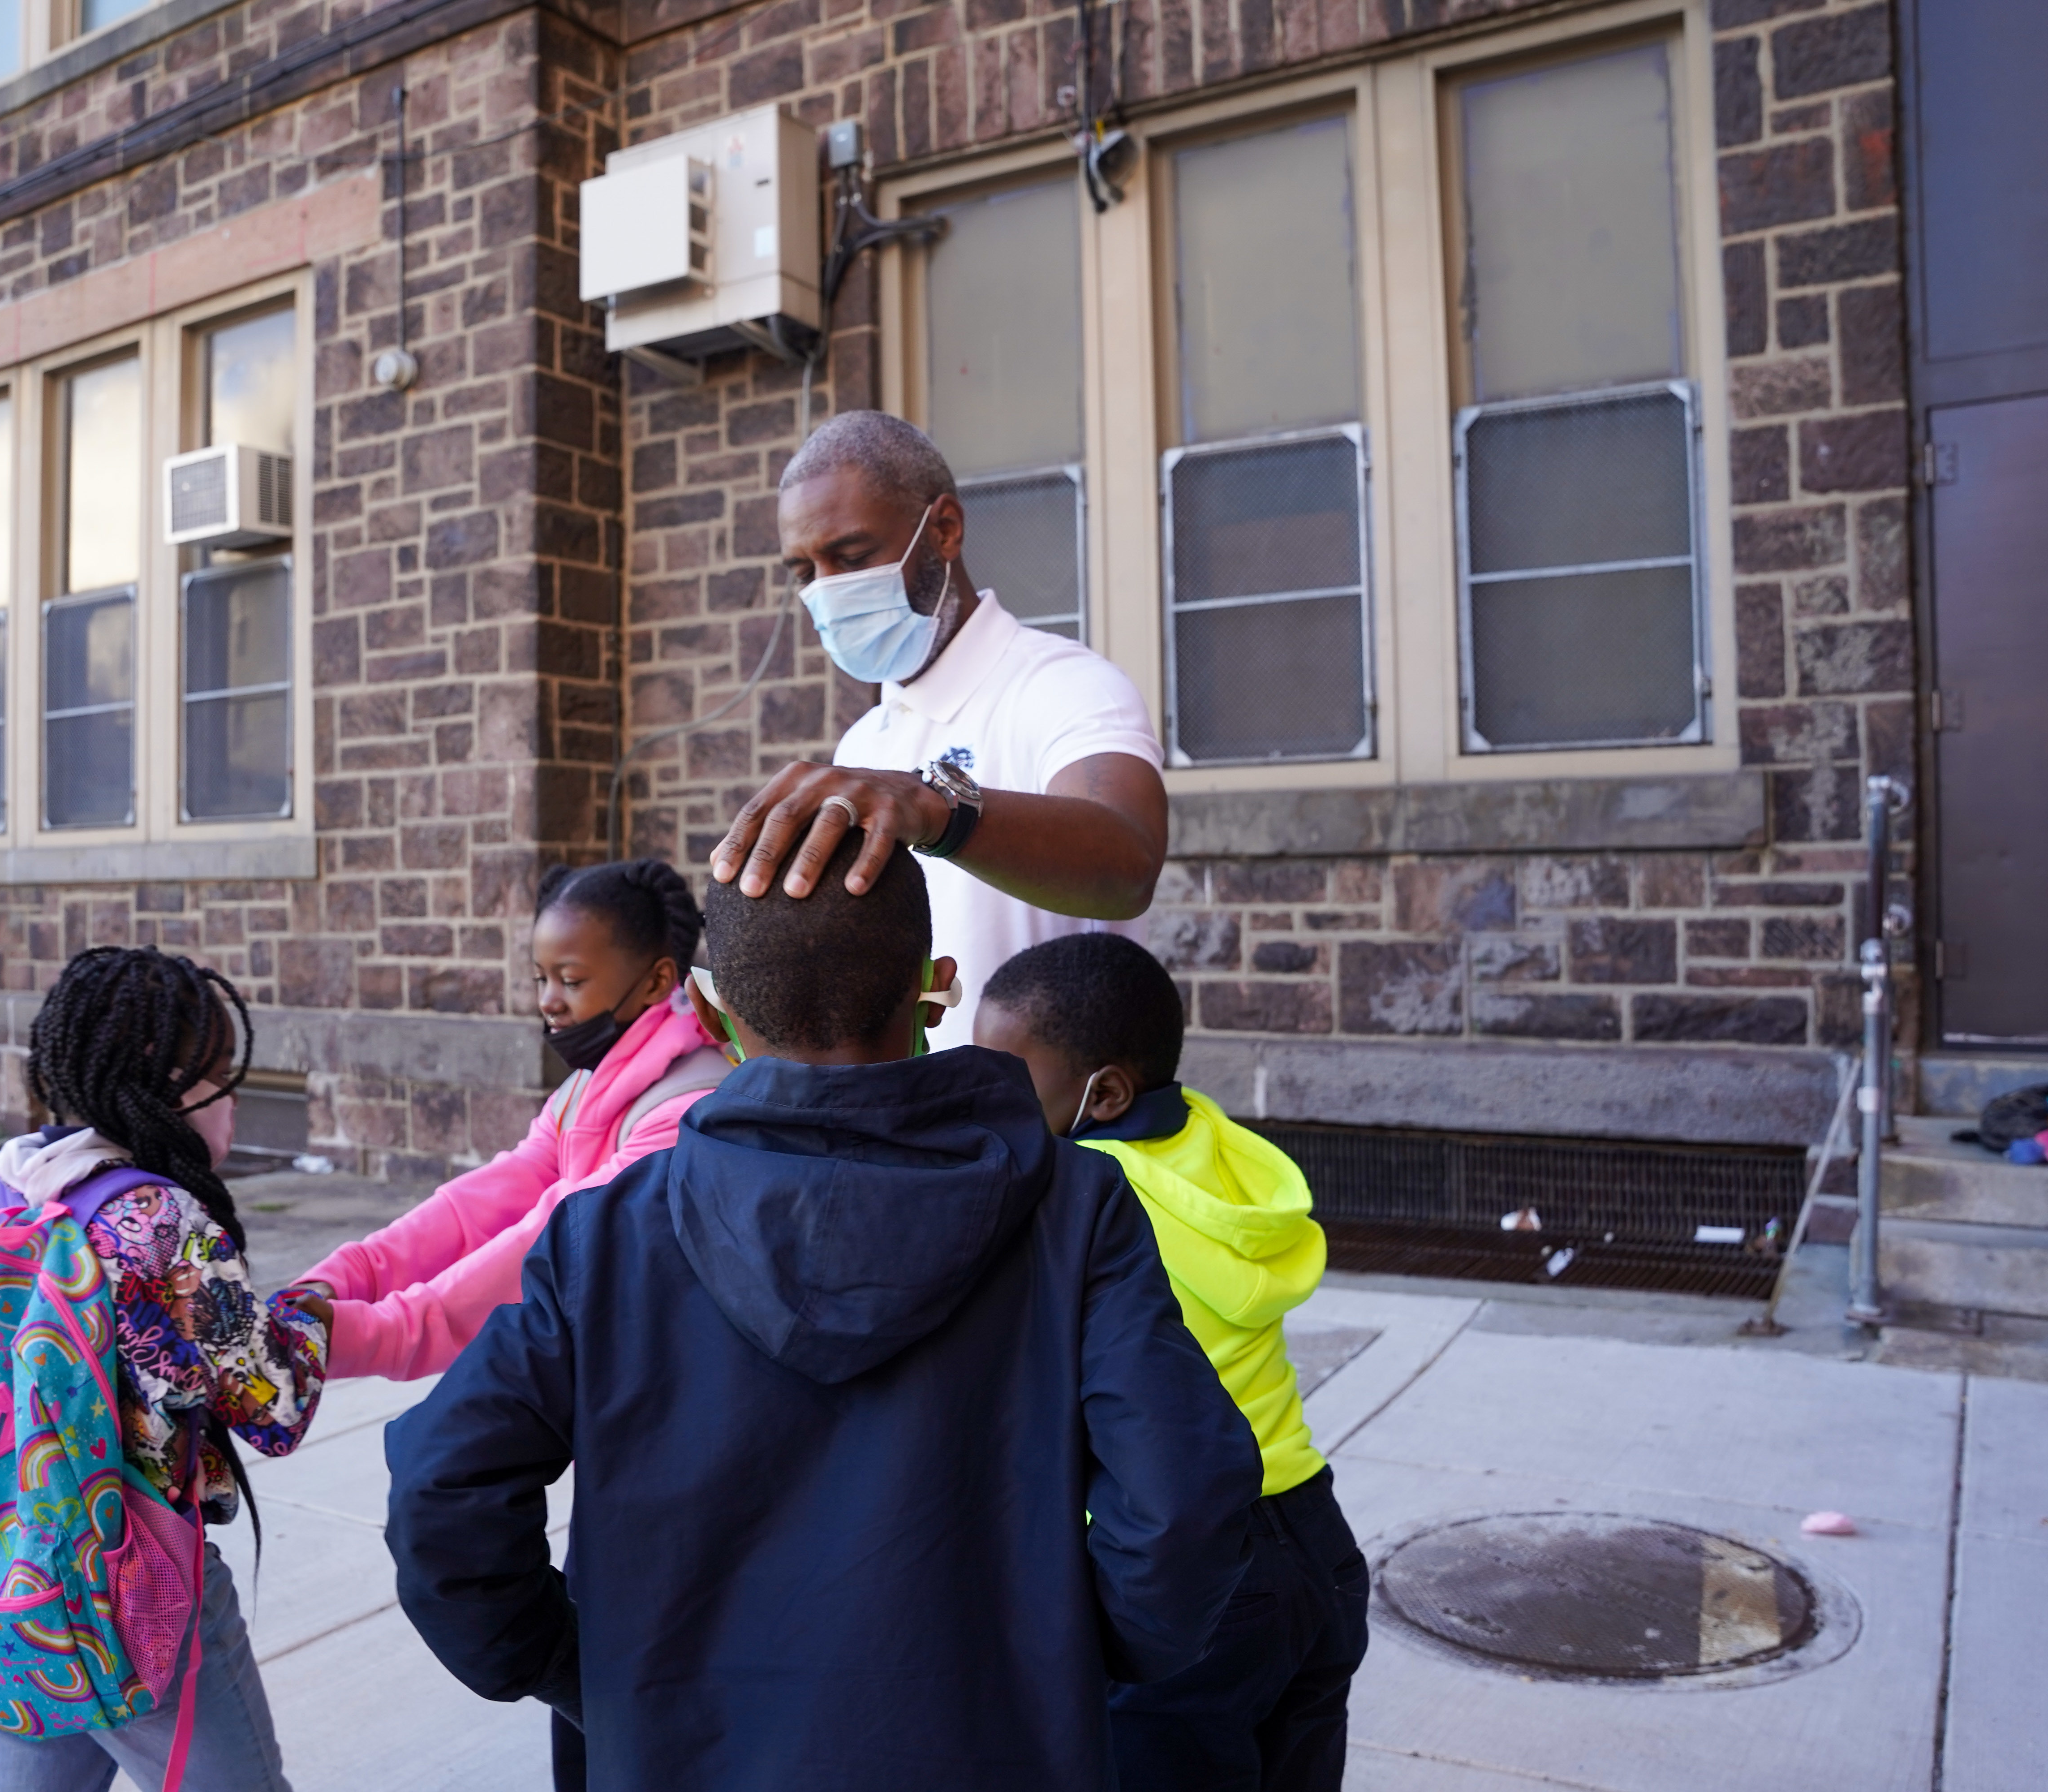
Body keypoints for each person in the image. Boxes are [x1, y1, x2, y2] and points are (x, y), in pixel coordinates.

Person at [385, 828, 1264, 1790]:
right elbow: (1187, 1495)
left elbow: (442, 1490)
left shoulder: (609, 1235)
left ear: (716, 1013)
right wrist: (1075, 1656)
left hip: (682, 1751)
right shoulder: (1076, 1210)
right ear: (936, 986)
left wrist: (583, 1672)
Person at [0, 944, 328, 1792]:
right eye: (223, 1076)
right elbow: (276, 1408)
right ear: (175, 1082)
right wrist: (314, 1309)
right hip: (134, 1607)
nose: (231, 1100)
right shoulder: (162, 1221)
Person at [976, 932, 1368, 1792]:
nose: (984, 1098)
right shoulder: (1216, 1149)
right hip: (1313, 1538)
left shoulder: (1076, 1205)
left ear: (1105, 1093)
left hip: (1189, 1570)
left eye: (1004, 1080)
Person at [711, 409, 1168, 1042]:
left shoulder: (1067, 686)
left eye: (850, 556)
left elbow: (1130, 864)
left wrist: (941, 810)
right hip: (923, 1130)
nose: (825, 591)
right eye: (804, 572)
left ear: (945, 529)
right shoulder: (866, 741)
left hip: (1052, 1130)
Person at [292, 858, 727, 1382]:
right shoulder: (588, 1086)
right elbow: (483, 1202)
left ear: (658, 980)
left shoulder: (684, 1112)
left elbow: (548, 1239)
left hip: (669, 1386)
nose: (548, 1001)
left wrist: (378, 1333)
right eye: (542, 978)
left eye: (571, 980)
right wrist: (348, 1278)